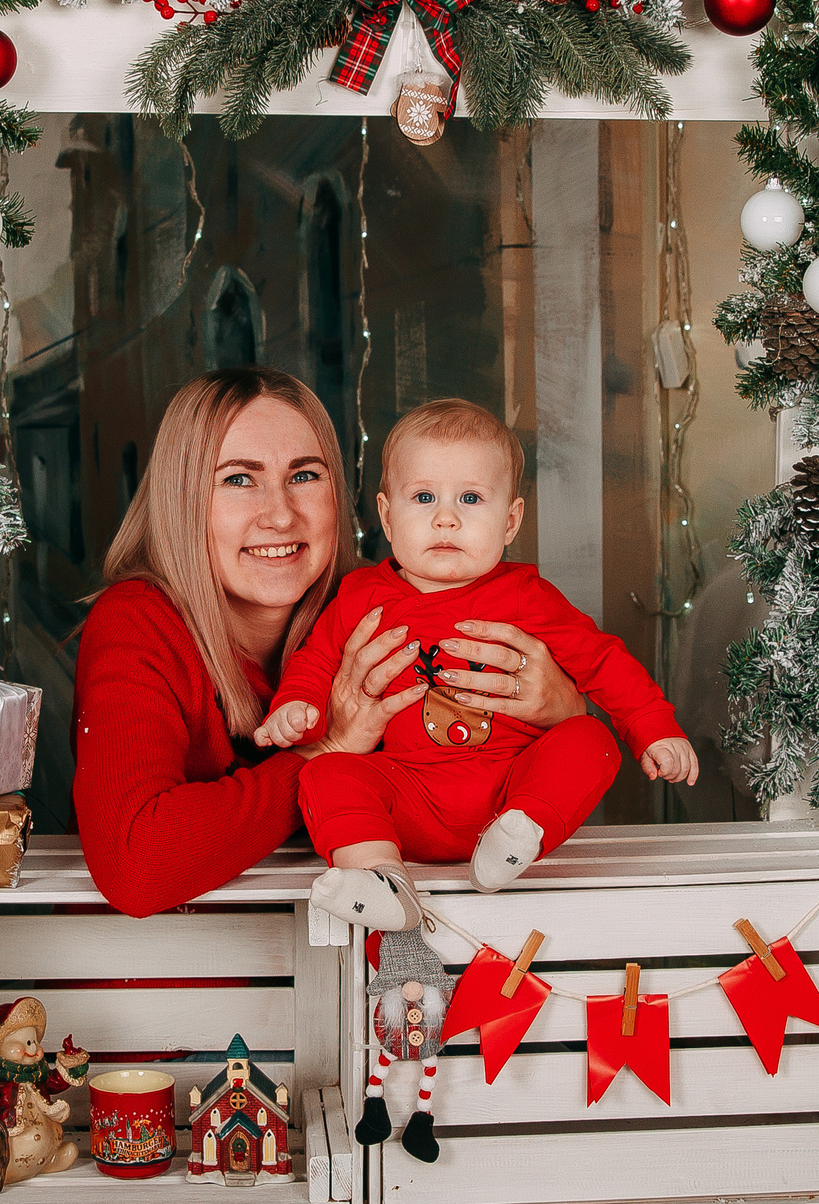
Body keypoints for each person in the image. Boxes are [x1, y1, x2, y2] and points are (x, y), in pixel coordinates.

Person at [74, 368, 591, 917]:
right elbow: (136, 864)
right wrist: (325, 752)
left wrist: (560, 710)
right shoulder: (137, 624)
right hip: (162, 983)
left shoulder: (377, 609)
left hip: (358, 971)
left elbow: (479, 787)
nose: (279, 515)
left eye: (305, 476)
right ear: (181, 500)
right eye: (238, 479)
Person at [254, 398, 697, 930]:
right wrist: (295, 707)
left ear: (510, 520)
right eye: (423, 497)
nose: (446, 517)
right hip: (407, 792)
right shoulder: (360, 596)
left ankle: (517, 837)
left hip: (510, 787)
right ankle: (380, 879)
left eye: (470, 497)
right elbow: (317, 661)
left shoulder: (526, 595)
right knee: (326, 772)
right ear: (388, 517)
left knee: (590, 739)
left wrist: (653, 727)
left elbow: (602, 660)